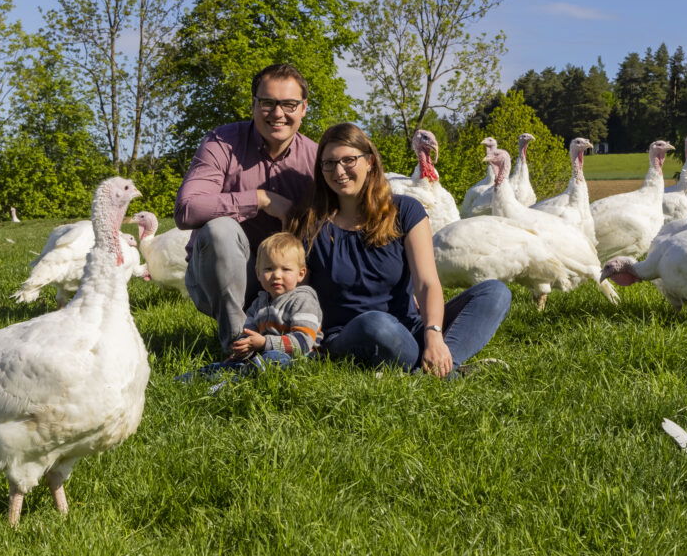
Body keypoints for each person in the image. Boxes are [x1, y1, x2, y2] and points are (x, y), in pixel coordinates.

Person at [293, 122, 511, 377]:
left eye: (348, 160)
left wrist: (433, 335)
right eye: (328, 163)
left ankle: (437, 364)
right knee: (375, 323)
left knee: (495, 292)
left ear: (370, 162)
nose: (338, 170)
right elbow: (301, 294)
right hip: (351, 334)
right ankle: (447, 373)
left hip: (411, 329)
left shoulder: (406, 210)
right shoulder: (309, 223)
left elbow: (427, 282)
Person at [175, 63, 317, 357]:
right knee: (220, 229)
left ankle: (307, 337)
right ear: (254, 105)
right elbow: (187, 209)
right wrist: (259, 199)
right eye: (267, 103)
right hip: (219, 276)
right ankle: (237, 346)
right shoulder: (222, 143)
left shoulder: (316, 158)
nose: (278, 114)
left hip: (288, 280)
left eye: (289, 104)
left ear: (304, 108)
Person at [180, 231, 324, 387]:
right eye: (268, 269)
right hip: (263, 355)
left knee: (274, 357)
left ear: (300, 274)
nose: (276, 275)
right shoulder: (259, 303)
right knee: (228, 363)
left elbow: (303, 342)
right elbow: (248, 331)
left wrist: (264, 342)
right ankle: (186, 380)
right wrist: (244, 345)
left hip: (299, 359)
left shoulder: (303, 300)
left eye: (286, 269)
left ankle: (234, 381)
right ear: (258, 273)